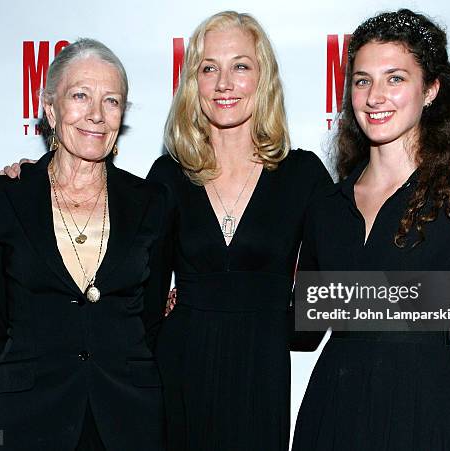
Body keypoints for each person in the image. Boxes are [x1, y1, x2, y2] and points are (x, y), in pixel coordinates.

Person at [291, 9, 450, 451]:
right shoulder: (328, 207)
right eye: (362, 80)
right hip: (332, 415)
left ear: (430, 90)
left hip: (423, 417)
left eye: (395, 78)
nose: (375, 96)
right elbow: (303, 329)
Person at [0, 38, 169, 451]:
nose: (96, 114)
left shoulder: (151, 201)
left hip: (129, 419)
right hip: (29, 420)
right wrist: (23, 384)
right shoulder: (0, 198)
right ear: (50, 108)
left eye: (111, 101)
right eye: (80, 95)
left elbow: (147, 318)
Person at [146, 11, 332, 451]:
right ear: (194, 82)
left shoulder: (303, 175)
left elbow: (325, 290)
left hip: (260, 371)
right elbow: (141, 294)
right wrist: (39, 179)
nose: (223, 83)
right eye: (209, 68)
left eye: (240, 66)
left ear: (263, 77)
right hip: (179, 370)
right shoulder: (167, 176)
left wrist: (277, 325)